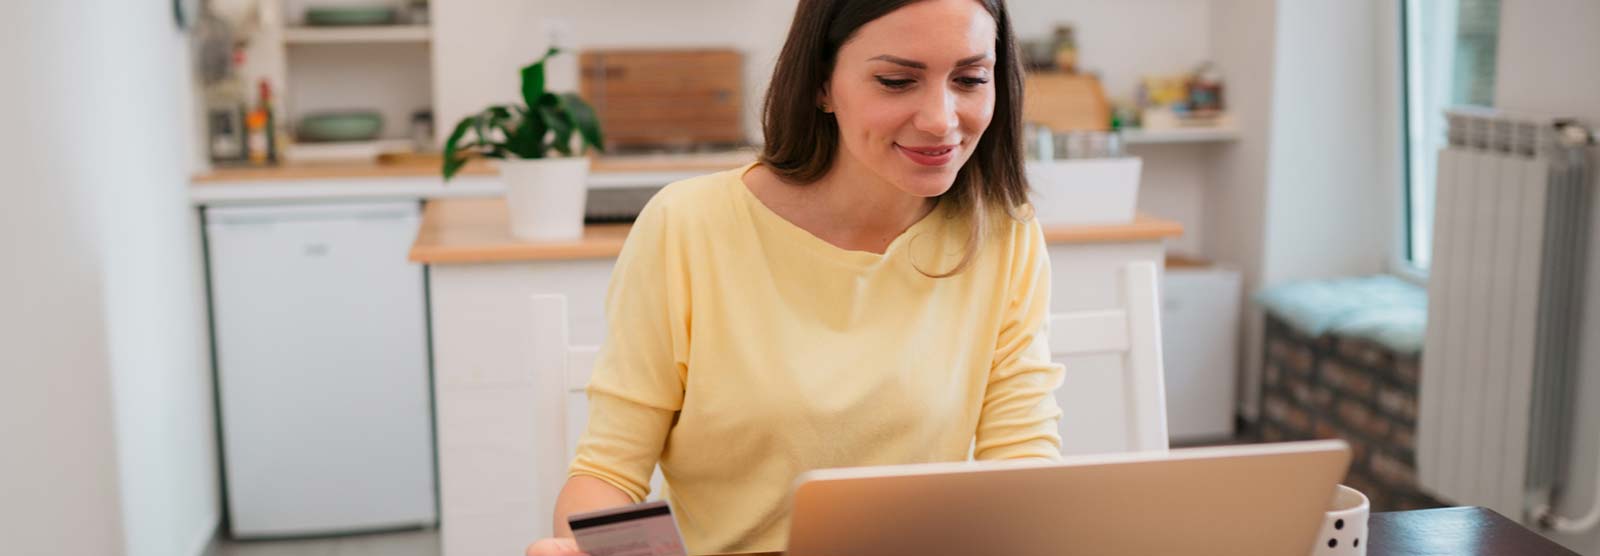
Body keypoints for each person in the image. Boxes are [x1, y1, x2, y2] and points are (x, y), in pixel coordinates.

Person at [527, 0, 1061, 554]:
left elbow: (1021, 464)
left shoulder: (1002, 233)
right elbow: (610, 470)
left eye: (971, 78)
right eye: (897, 81)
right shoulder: (689, 225)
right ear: (821, 85)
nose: (941, 119)